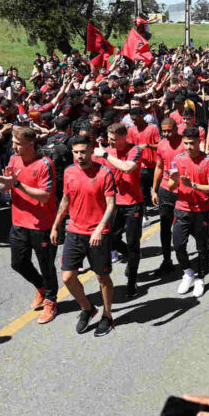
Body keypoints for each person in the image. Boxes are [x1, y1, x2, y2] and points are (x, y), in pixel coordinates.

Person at [50, 135, 116, 337]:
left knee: (102, 277)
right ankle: (87, 308)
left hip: (98, 233)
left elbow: (111, 204)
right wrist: (55, 225)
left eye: (83, 152)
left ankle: (107, 315)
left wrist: (99, 228)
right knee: (68, 277)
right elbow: (65, 200)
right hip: (75, 231)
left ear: (91, 151)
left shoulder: (104, 173)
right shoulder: (69, 172)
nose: (80, 156)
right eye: (76, 152)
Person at [0, 127, 58, 324]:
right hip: (19, 222)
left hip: (42, 224)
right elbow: (5, 188)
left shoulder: (45, 164)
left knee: (46, 265)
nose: (14, 147)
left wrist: (18, 184)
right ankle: (41, 288)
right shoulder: (13, 159)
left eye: (18, 144)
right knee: (18, 263)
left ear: (31, 144)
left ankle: (51, 301)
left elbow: (46, 196)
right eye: (13, 143)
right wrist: (4, 185)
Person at [93, 122, 144, 298]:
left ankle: (132, 282)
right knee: (111, 238)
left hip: (132, 203)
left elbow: (128, 168)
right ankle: (130, 256)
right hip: (113, 204)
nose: (110, 141)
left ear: (124, 137)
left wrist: (106, 154)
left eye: (114, 139)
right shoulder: (106, 151)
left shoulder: (134, 150)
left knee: (133, 242)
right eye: (109, 138)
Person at [169, 127, 209, 297]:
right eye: (186, 143)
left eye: (192, 143)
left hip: (201, 211)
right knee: (178, 244)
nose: (189, 147)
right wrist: (174, 182)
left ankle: (200, 278)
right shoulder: (177, 159)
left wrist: (194, 186)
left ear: (199, 142)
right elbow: (170, 186)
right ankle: (188, 272)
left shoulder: (208, 161)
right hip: (182, 209)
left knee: (202, 248)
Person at [151, 118, 184, 276]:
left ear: (176, 128)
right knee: (165, 228)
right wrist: (154, 190)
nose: (166, 134)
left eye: (169, 130)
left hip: (183, 192)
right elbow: (159, 167)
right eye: (163, 131)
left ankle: (186, 262)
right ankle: (167, 261)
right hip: (165, 191)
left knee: (183, 229)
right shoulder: (162, 144)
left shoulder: (185, 144)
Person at [126, 106, 160, 215]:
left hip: (154, 166)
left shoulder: (153, 129)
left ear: (142, 116)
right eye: (132, 119)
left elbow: (160, 145)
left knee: (158, 190)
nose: (133, 121)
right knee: (142, 192)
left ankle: (164, 211)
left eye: (135, 119)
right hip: (140, 167)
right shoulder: (131, 130)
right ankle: (144, 214)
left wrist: (148, 145)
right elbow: (130, 146)